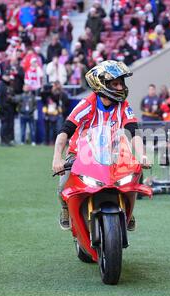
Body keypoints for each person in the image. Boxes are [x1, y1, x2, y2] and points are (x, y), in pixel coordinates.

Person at [52, 60, 149, 231]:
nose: (121, 87)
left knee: (134, 175)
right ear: (101, 85)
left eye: (121, 83)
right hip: (80, 155)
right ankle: (66, 208)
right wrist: (57, 158)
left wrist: (142, 155)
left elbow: (134, 132)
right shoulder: (86, 105)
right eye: (115, 84)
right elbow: (64, 131)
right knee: (63, 185)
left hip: (114, 154)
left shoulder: (123, 105)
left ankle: (128, 209)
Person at [0, 70, 17, 146]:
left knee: (9, 125)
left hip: (10, 109)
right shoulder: (0, 86)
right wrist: (0, 109)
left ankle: (8, 140)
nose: (8, 77)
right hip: (3, 109)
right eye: (6, 76)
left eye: (8, 76)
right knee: (4, 125)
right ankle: (3, 140)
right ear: (3, 76)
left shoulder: (9, 85)